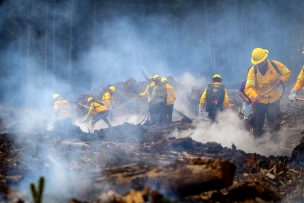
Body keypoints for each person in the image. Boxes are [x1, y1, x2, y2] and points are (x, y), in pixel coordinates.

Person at [245, 48, 291, 137]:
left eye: (260, 62)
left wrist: (280, 80)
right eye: (257, 63)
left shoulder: (275, 65)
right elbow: (249, 87)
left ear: (265, 59)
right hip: (259, 101)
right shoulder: (252, 70)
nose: (259, 65)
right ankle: (257, 142)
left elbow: (287, 73)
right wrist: (254, 95)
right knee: (257, 123)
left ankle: (275, 142)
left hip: (274, 99)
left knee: (275, 122)